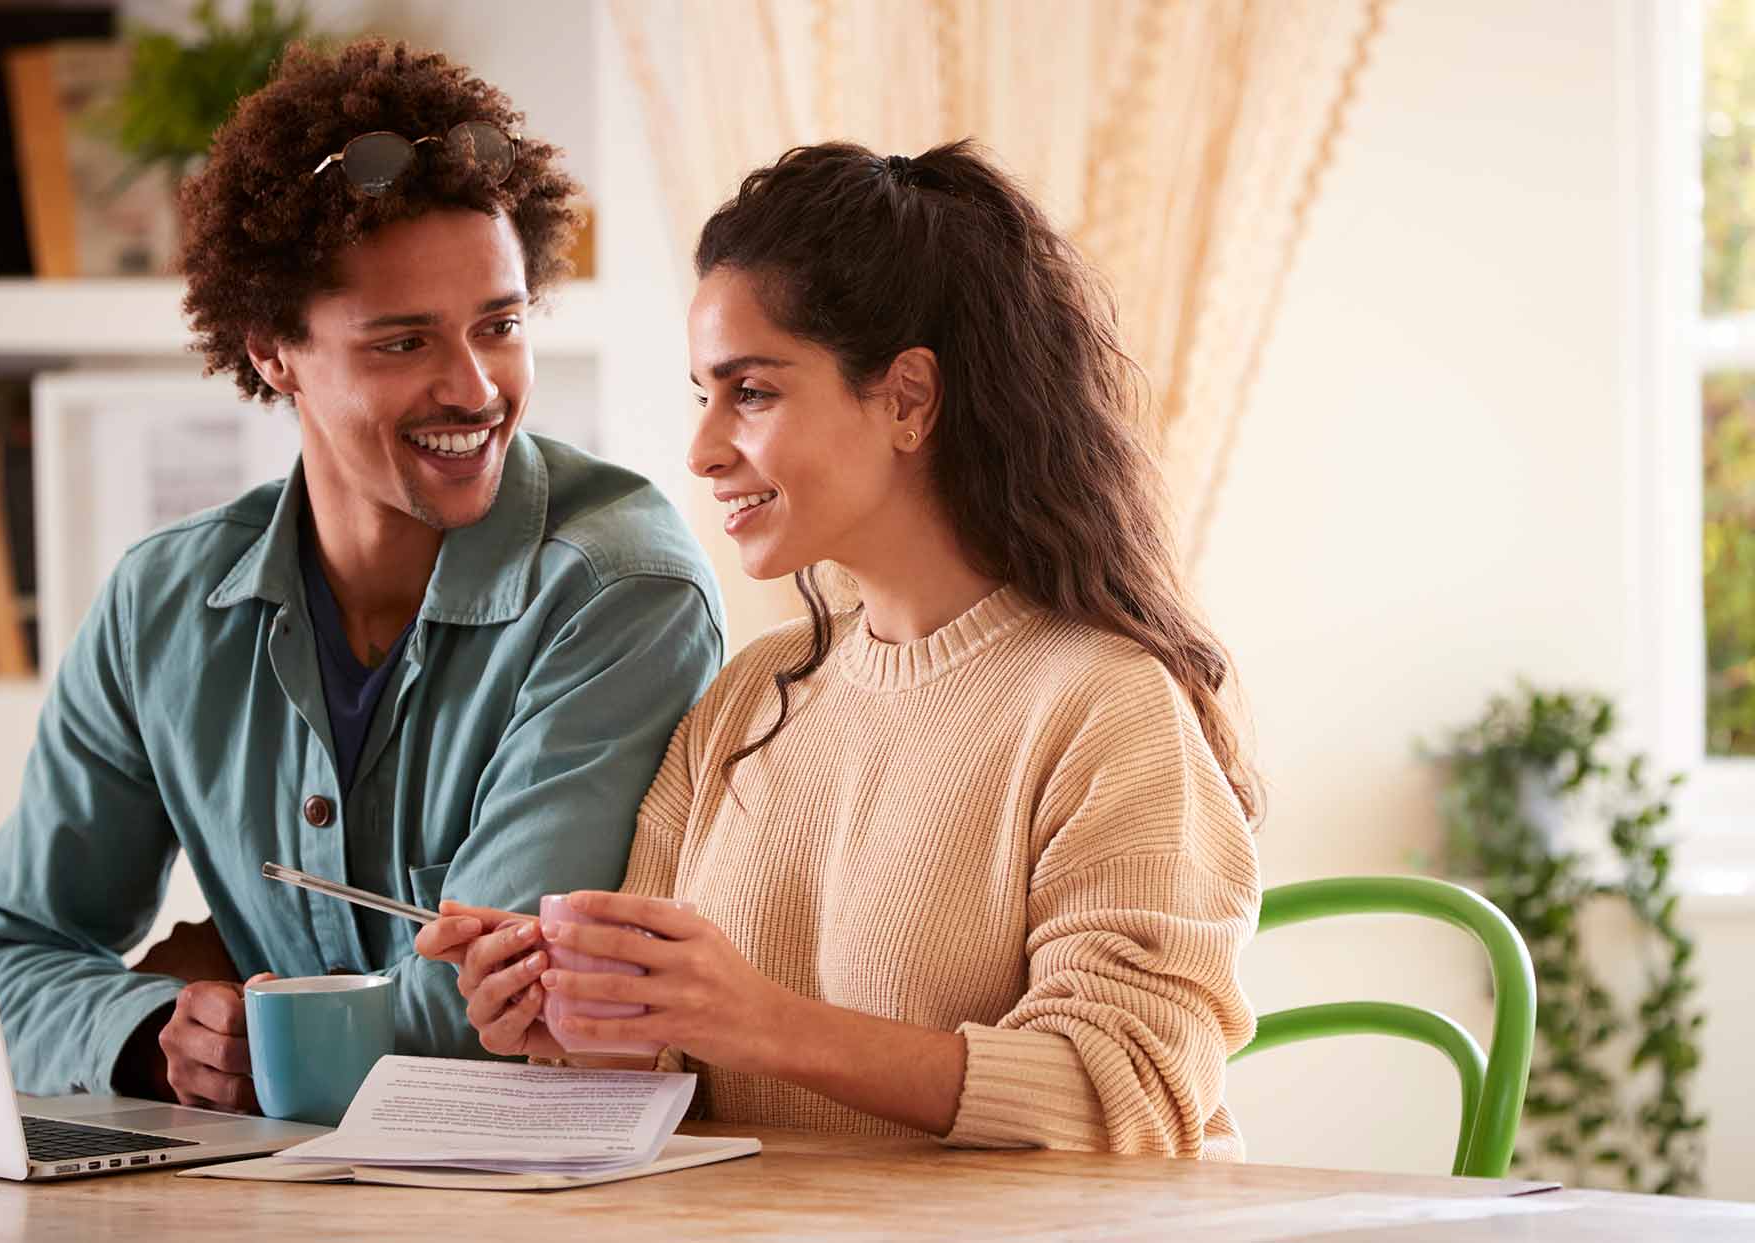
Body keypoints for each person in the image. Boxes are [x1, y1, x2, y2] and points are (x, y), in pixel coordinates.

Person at [419, 141, 1262, 1159]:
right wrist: (576, 1034)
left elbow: (1124, 1093)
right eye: (703, 395)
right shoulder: (748, 694)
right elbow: (671, 1091)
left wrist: (759, 1021)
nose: (703, 448)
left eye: (753, 392)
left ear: (907, 398)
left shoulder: (1105, 704)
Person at [0, 40, 724, 1111]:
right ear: (273, 349)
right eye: (402, 342)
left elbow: (492, 1012)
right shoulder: (161, 606)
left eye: (498, 326)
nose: (474, 389)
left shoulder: (616, 592)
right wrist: (150, 1032)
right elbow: (2, 960)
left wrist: (251, 1024)